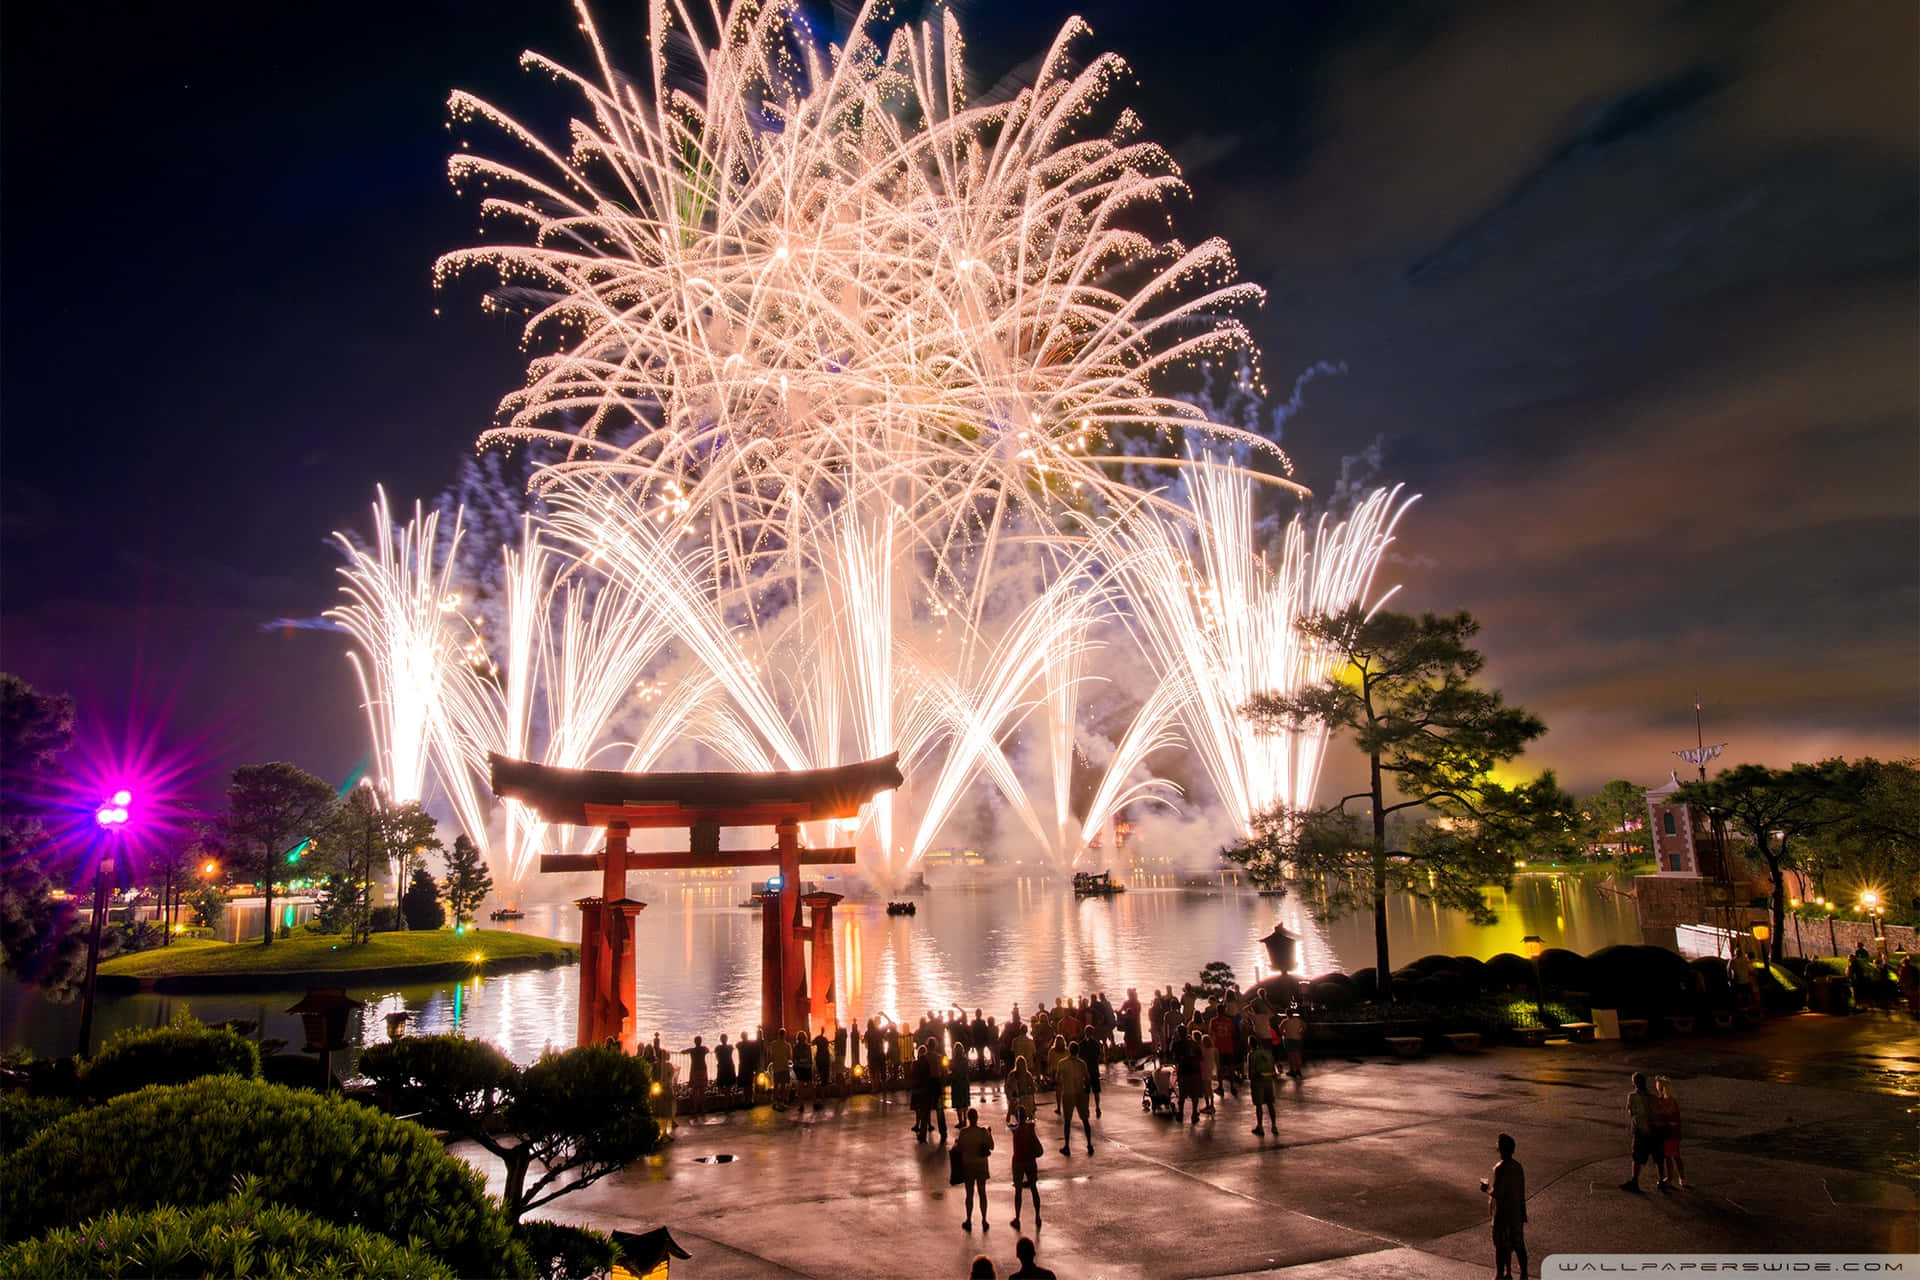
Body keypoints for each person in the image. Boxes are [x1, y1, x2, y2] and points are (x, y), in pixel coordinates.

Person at [1483, 1132, 1528, 1280]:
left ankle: (1500, 1274)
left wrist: (1487, 1188)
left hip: (1503, 1214)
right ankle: (1524, 1273)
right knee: (1519, 1244)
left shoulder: (1500, 1168)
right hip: (1516, 1212)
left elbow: (1498, 1194)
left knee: (1501, 1247)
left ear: (1501, 1149)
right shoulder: (1518, 1167)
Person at [954, 1106, 996, 1232]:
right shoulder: (983, 1132)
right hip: (981, 1166)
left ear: (968, 1118)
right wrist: (990, 1133)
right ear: (977, 1118)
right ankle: (984, 1219)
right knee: (982, 1193)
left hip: (968, 1166)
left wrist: (956, 1142)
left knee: (969, 1194)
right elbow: (991, 1146)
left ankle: (968, 1219)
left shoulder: (963, 1133)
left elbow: (959, 1149)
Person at [1055, 1040, 1093, 1156]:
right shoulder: (1082, 1064)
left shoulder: (1062, 1063)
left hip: (1068, 1093)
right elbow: (1087, 1079)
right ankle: (1089, 1144)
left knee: (1067, 1121)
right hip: (1080, 1093)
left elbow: (1057, 1079)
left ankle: (1067, 1145)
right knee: (1085, 1120)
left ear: (1068, 1050)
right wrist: (1086, 1090)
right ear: (1078, 1051)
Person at [1008, 1107, 1042, 1231]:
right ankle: (1037, 1217)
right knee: (1034, 1188)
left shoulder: (1014, 1128)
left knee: (1018, 1190)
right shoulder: (1030, 1127)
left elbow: (1007, 1123)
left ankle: (1017, 1218)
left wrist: (1008, 1113)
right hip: (1030, 1160)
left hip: (1018, 1161)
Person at [1622, 1071, 1657, 1192]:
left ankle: (1634, 1181)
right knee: (1656, 1157)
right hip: (1652, 1130)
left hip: (1639, 1130)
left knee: (1636, 1156)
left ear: (1635, 1083)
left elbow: (1631, 1112)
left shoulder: (1632, 1096)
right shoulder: (1652, 1097)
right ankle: (1663, 1180)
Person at [1654, 1075, 1685, 1189]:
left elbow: (1667, 1117)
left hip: (1668, 1132)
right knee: (1675, 1156)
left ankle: (1671, 1178)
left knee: (1669, 1156)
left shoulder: (1665, 1101)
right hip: (1673, 1132)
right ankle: (1681, 1178)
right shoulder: (1671, 1100)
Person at [1247, 1036, 1279, 1136]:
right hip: (1268, 1080)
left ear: (1250, 1044)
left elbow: (1251, 1070)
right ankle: (1274, 1125)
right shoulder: (1268, 1053)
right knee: (1270, 1104)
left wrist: (1251, 1079)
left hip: (1258, 1081)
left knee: (1259, 1105)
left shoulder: (1251, 1054)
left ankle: (1260, 1126)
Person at [681, 1035, 710, 1118]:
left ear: (695, 1042)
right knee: (702, 1090)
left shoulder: (692, 1050)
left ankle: (694, 1109)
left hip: (694, 1070)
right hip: (703, 1070)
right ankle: (703, 1109)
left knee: (694, 1090)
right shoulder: (703, 1049)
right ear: (700, 1042)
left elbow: (683, 1052)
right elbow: (708, 1050)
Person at [1006, 1054, 1038, 1123]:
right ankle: (1009, 1114)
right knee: (1014, 1100)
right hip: (1016, 1095)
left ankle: (1030, 1114)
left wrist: (1028, 1091)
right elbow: (1008, 1086)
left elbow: (1033, 1087)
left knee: (1028, 1099)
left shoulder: (1028, 1075)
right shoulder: (1012, 1074)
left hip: (1025, 1094)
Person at [950, 1040, 974, 1130]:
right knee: (964, 1102)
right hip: (964, 1081)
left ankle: (960, 1121)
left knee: (958, 1103)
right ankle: (965, 1119)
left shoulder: (954, 1060)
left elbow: (951, 1068)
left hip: (956, 1082)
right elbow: (967, 1070)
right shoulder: (965, 1060)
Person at [1279, 1006, 1306, 1079]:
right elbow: (1304, 1026)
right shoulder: (1298, 1020)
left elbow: (1280, 1029)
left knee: (1290, 1055)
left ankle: (1292, 1070)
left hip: (1288, 1039)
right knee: (1297, 1055)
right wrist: (1301, 1032)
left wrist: (1284, 1034)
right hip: (1297, 1039)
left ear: (1286, 1014)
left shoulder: (1285, 1021)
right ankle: (1298, 1070)